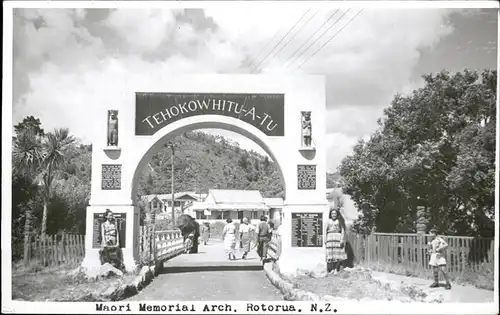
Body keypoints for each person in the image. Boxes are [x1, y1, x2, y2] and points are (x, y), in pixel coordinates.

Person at [324, 207, 347, 274]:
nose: (333, 215)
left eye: (335, 213)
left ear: (337, 214)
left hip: (337, 238)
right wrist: (325, 239)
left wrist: (342, 239)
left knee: (338, 254)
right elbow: (325, 230)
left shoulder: (340, 221)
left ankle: (336, 269)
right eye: (332, 213)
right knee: (331, 254)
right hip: (330, 238)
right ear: (330, 214)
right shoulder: (328, 221)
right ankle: (332, 269)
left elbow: (343, 231)